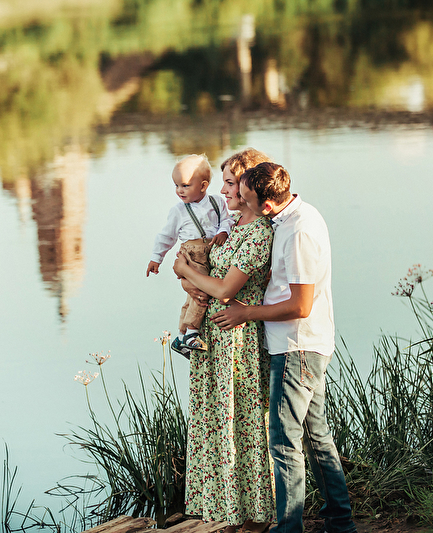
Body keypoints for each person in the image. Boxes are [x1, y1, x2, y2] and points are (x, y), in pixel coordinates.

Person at [212, 162, 356, 533]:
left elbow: (300, 305)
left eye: (244, 198)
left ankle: (289, 528)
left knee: (283, 441)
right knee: (316, 437)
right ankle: (340, 522)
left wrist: (247, 313)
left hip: (297, 346)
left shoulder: (299, 232)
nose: (237, 201)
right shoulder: (291, 217)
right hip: (302, 344)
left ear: (268, 205)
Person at [172, 148, 276, 533]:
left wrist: (185, 270)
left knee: (241, 424)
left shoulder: (258, 234)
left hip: (237, 343)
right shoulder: (230, 229)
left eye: (231, 182)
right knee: (215, 423)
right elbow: (205, 278)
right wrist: (187, 278)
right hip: (212, 340)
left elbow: (226, 289)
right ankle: (226, 512)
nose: (223, 189)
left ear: (251, 186)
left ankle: (254, 517)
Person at [146, 154, 232, 355]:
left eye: (184, 185)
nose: (179, 191)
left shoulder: (217, 202)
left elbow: (227, 220)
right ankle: (192, 333)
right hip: (192, 253)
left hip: (210, 250)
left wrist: (223, 231)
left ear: (203, 186)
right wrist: (156, 258)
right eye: (176, 185)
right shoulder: (179, 210)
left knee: (191, 295)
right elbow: (166, 236)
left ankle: (181, 335)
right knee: (201, 294)